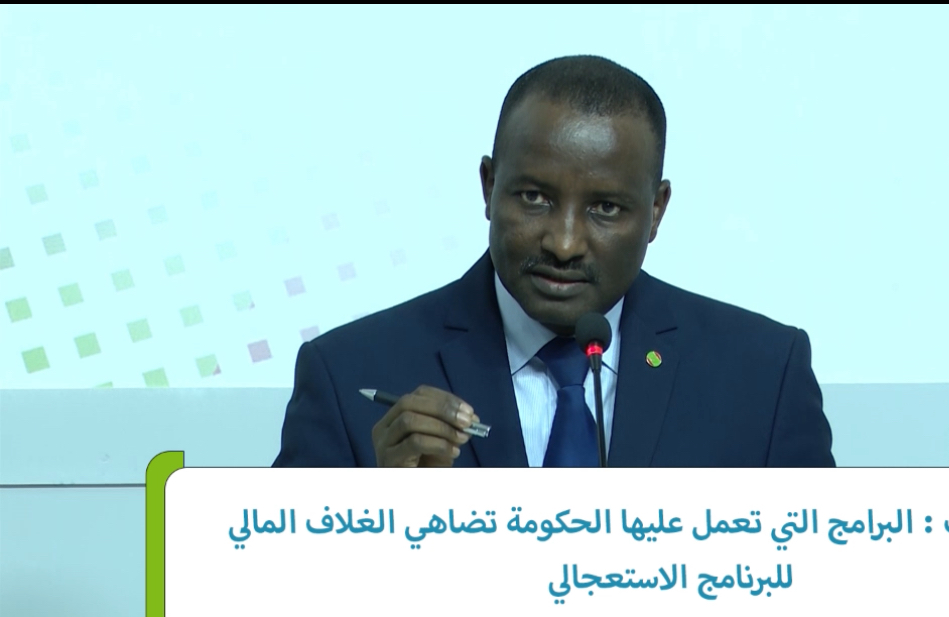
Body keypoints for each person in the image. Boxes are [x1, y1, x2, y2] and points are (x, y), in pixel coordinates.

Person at [272, 55, 834, 469]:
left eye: (606, 208)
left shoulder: (763, 375)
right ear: (489, 186)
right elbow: (278, 586)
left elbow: (826, 580)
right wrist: (380, 518)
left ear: (656, 211)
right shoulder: (347, 374)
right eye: (534, 197)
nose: (563, 244)